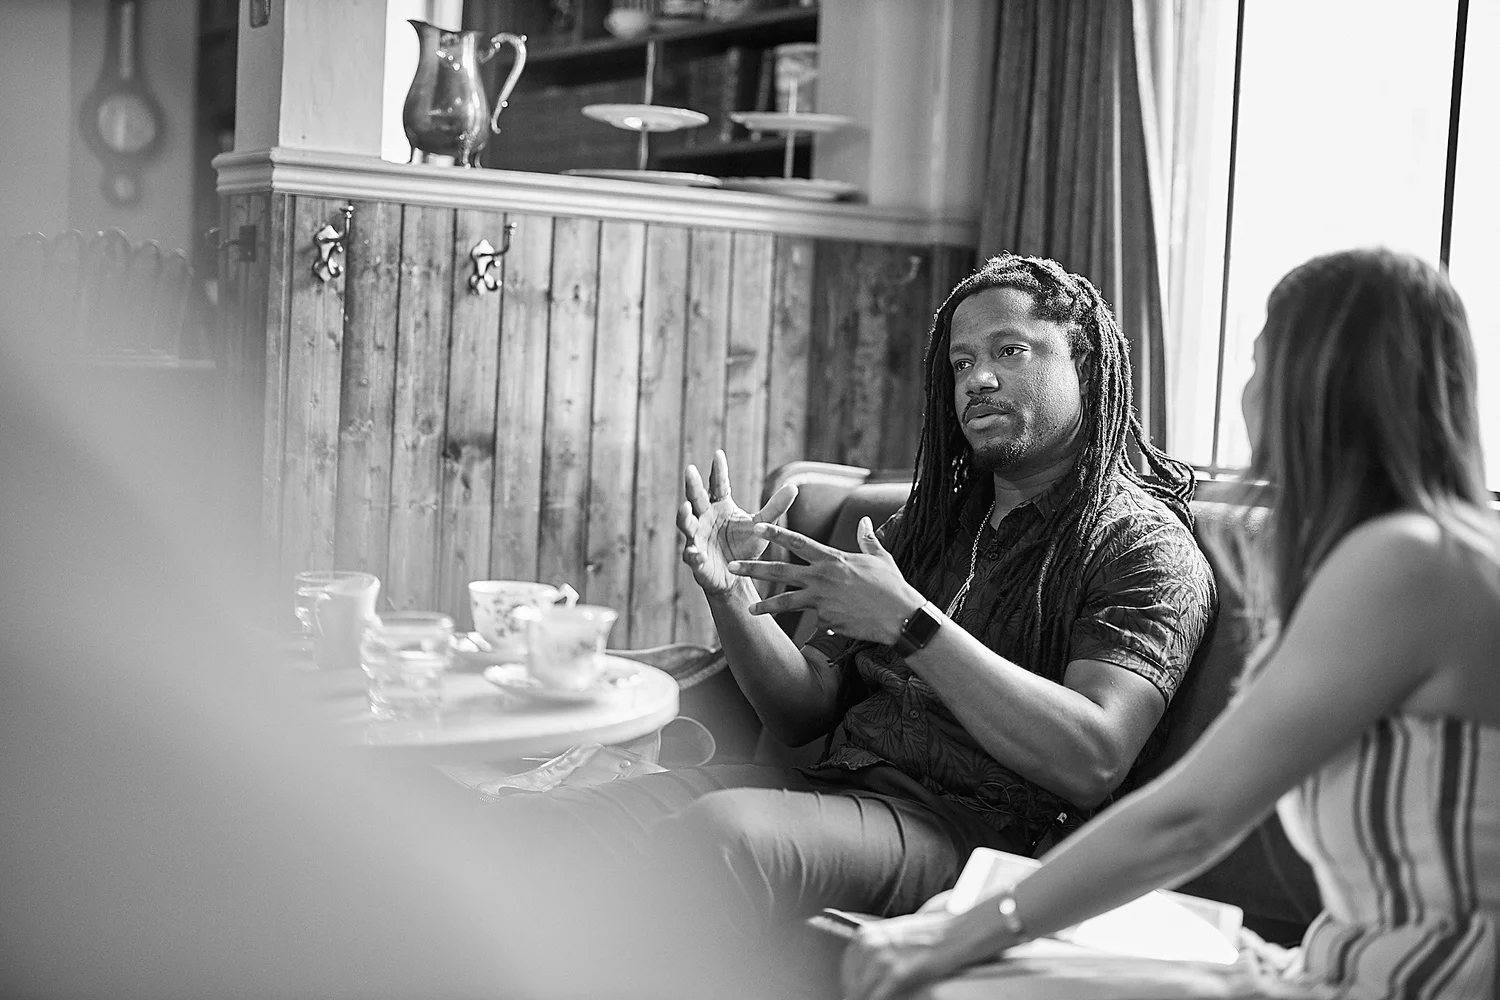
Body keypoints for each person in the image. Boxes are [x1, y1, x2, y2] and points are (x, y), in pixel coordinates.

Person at [484, 252, 1214, 998]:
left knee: (724, 839)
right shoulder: (926, 529)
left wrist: (909, 624)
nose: (978, 380)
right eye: (962, 363)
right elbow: (803, 712)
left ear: (1084, 363)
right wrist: (729, 591)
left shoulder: (1142, 546)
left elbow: (1091, 759)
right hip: (835, 789)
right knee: (550, 822)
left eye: (1010, 351)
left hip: (986, 838)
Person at [841, 247, 1500, 1000]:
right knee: (954, 929)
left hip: (1394, 985)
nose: (1248, 393)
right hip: (1327, 962)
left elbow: (1190, 818)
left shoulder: (1407, 563)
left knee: (953, 969)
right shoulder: (1425, 552)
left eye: (1260, 362)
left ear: (1318, 382)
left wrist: (963, 937)